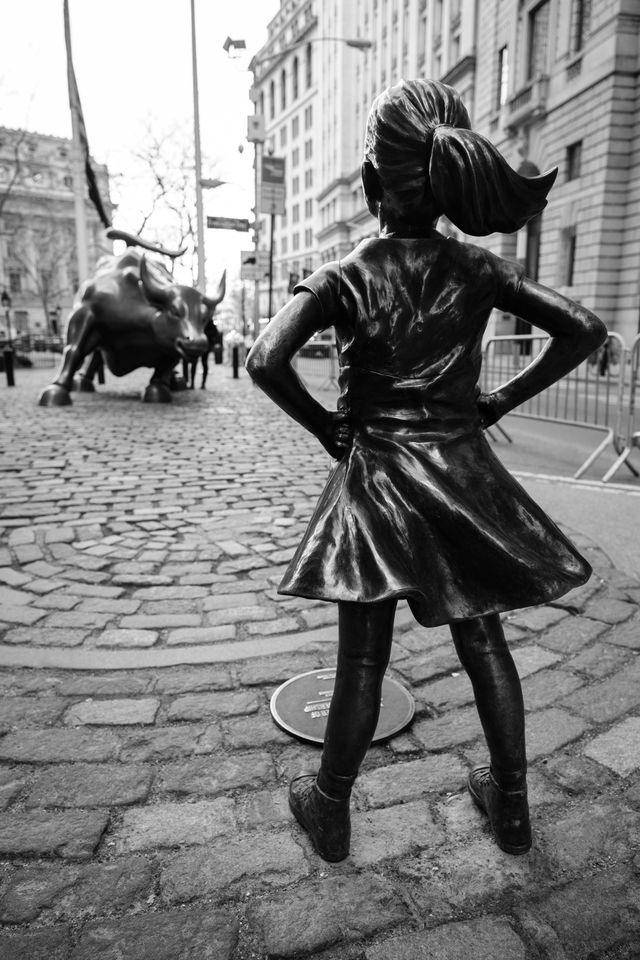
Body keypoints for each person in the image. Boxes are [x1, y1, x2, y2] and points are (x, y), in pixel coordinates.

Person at [246, 79, 607, 862]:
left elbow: (264, 359)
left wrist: (328, 431)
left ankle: (331, 808)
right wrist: (496, 402)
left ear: (374, 182)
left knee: (364, 660)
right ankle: (512, 810)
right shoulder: (477, 269)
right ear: (447, 180)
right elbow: (584, 328)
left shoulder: (346, 271)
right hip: (463, 477)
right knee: (485, 645)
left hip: (374, 478)